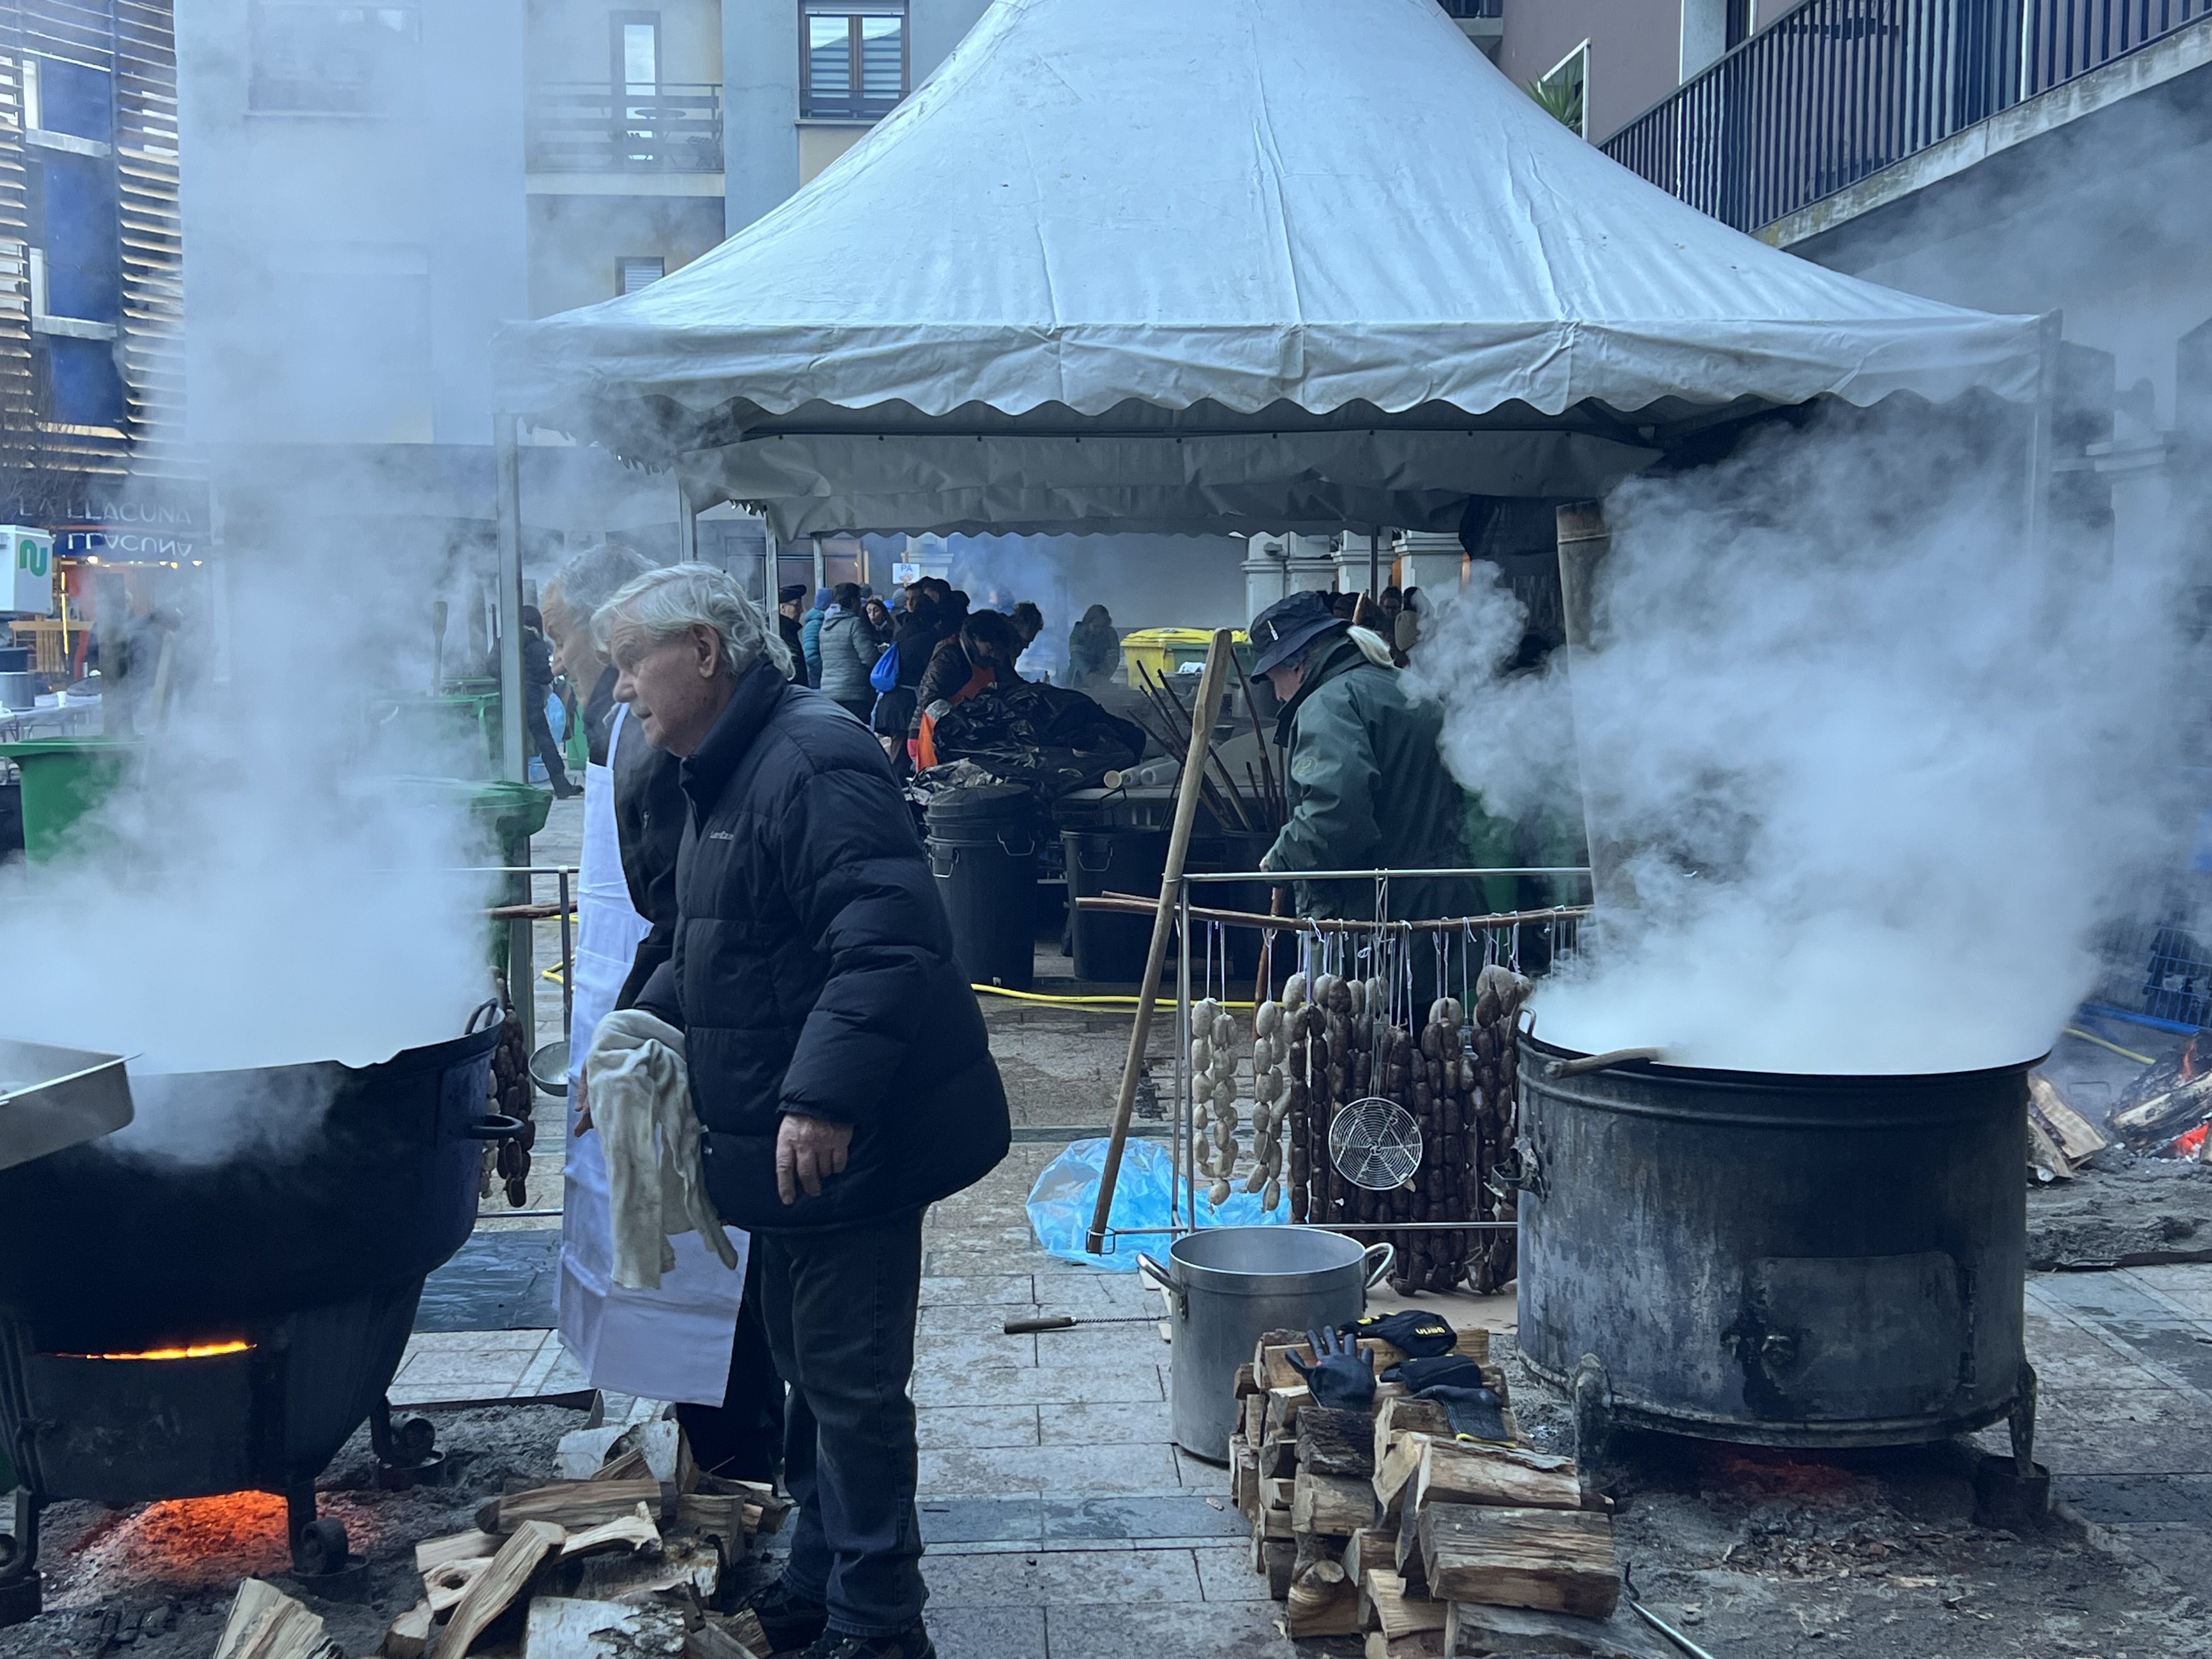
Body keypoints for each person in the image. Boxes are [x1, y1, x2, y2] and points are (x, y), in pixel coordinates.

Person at [601, 564, 1009, 1659]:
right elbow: (710, 942)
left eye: (637, 657)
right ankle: (823, 1582)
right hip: (782, 1144)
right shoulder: (719, 768)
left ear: (704, 652)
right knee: (807, 1371)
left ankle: (880, 1629)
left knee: (851, 1386)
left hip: (852, 1138)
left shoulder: (812, 757)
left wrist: (822, 1098)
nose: (622, 683)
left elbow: (886, 940)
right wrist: (625, 1041)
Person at [540, 548, 782, 1481]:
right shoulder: (629, 732)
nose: (562, 659)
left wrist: (643, 1024)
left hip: (706, 1032)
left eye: (569, 637)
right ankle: (729, 1447)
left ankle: (742, 1459)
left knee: (719, 1257)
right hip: (657, 1011)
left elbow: (695, 908)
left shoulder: (707, 747)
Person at [1249, 588, 1475, 945]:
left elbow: (1337, 814)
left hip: (1371, 923)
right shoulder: (1406, 686)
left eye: (1275, 678)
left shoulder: (1328, 705)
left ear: (1296, 663)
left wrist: (1281, 861)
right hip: (1443, 914)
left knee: (1363, 1003)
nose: (1277, 694)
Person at [521, 605, 580, 798]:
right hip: (531, 701)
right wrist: (561, 667)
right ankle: (561, 785)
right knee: (545, 742)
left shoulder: (503, 642)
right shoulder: (536, 646)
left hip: (505, 701)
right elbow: (545, 677)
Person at [815, 583, 884, 725]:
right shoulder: (855, 624)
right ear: (854, 601)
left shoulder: (825, 626)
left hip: (829, 693)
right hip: (854, 693)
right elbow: (869, 658)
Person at [1066, 603, 1120, 690]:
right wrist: (1088, 674)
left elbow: (1114, 659)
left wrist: (1102, 675)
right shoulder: (1078, 633)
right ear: (1087, 624)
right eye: (1095, 626)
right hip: (1077, 678)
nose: (1098, 630)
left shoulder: (1111, 634)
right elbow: (1076, 657)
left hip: (1101, 679)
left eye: (1103, 627)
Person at [778, 585, 811, 686]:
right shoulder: (782, 632)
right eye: (797, 605)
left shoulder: (788, 629)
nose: (801, 611)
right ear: (783, 607)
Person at [800, 586, 831, 687]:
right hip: (818, 680)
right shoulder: (815, 624)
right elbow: (810, 655)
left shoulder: (822, 622)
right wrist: (825, 670)